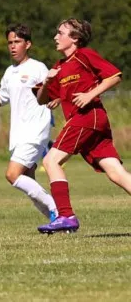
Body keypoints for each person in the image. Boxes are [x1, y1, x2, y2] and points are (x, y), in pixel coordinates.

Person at [35, 18, 131, 234]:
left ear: (75, 38)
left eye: (61, 33)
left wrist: (90, 94)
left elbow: (114, 76)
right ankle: (66, 217)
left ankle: (66, 216)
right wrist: (48, 82)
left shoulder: (84, 55)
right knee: (115, 173)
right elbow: (41, 99)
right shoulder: (59, 66)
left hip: (87, 117)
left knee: (51, 160)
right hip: (91, 122)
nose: (55, 37)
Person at [0, 23, 57, 222]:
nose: (13, 46)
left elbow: (53, 92)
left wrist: (55, 100)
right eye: (10, 42)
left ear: (28, 44)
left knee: (12, 174)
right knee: (28, 180)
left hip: (35, 132)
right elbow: (0, 100)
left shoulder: (37, 68)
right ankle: (56, 220)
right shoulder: (9, 72)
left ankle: (58, 211)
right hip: (18, 135)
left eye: (17, 41)